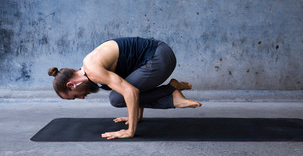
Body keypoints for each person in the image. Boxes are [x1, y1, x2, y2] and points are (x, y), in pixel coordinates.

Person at [48, 37, 202, 140]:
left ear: (71, 85)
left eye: (75, 96)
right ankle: (172, 90)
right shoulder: (89, 68)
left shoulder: (93, 70)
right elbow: (135, 84)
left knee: (117, 98)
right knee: (120, 95)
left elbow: (131, 92)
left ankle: (171, 92)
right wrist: (136, 116)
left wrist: (130, 131)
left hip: (159, 58)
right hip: (160, 56)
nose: (81, 98)